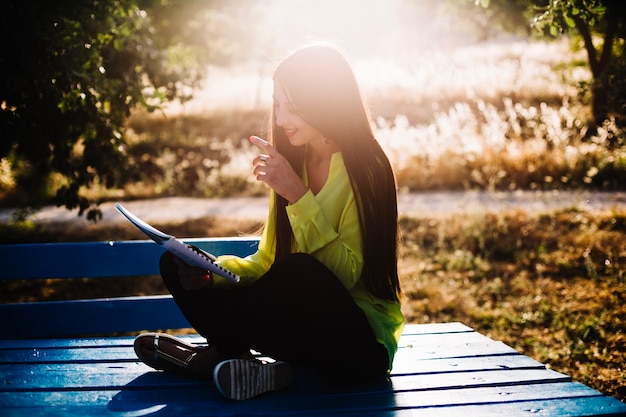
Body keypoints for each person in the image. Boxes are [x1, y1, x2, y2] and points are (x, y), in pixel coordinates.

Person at [133, 42, 404, 401]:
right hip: (303, 338)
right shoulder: (295, 162)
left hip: (359, 347)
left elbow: (345, 274)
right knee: (176, 264)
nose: (280, 119)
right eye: (277, 105)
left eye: (292, 107)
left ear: (323, 102)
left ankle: (209, 358)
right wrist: (213, 272)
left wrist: (299, 196)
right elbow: (269, 262)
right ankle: (261, 368)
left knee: (299, 272)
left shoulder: (366, 167)